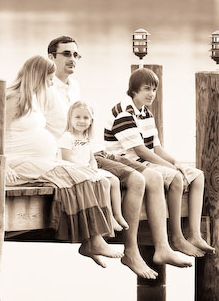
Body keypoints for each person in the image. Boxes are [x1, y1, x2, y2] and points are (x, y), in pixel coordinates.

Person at [45, 35, 191, 278]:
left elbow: (83, 123)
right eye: (66, 54)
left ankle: (158, 246)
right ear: (52, 58)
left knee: (146, 177)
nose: (72, 59)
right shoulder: (44, 89)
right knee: (135, 180)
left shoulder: (74, 87)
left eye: (75, 54)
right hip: (66, 157)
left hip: (90, 151)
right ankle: (130, 252)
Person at [4, 55, 123, 266]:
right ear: (38, 76)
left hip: (39, 161)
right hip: (18, 161)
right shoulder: (13, 98)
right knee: (77, 175)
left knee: (90, 175)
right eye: (49, 78)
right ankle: (94, 239)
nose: (51, 83)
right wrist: (2, 164)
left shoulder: (33, 98)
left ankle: (92, 240)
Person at [104, 68, 216, 258]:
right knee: (176, 178)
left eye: (154, 89)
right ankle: (177, 237)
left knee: (197, 176)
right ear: (133, 90)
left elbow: (156, 147)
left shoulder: (146, 113)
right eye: (147, 89)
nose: (151, 94)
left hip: (145, 160)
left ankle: (195, 235)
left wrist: (175, 162)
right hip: (128, 163)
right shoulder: (124, 113)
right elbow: (140, 151)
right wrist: (171, 169)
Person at [58, 100, 128, 232]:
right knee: (105, 183)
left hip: (87, 169)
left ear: (91, 121)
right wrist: (85, 170)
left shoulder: (86, 138)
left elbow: (91, 158)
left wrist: (93, 168)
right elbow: (66, 160)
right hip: (74, 171)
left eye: (86, 118)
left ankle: (117, 214)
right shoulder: (67, 137)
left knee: (114, 180)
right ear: (70, 119)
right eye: (77, 117)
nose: (82, 121)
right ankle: (109, 217)